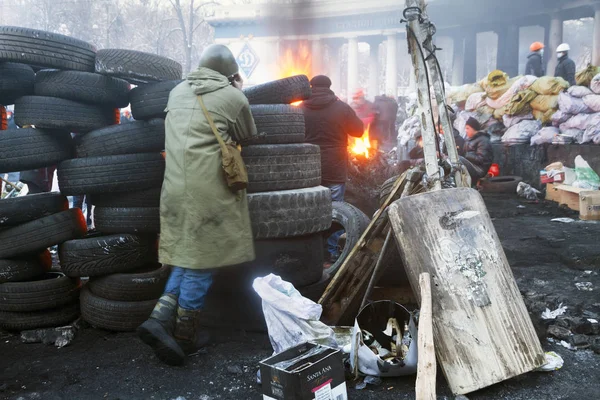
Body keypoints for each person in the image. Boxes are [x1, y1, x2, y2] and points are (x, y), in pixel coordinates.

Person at [137, 44, 258, 366]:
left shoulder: (176, 92)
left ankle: (159, 318)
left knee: (188, 253)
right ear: (231, 72)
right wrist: (237, 91)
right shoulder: (234, 97)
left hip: (175, 185)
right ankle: (184, 336)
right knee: (203, 261)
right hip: (210, 189)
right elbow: (249, 133)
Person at [301, 75, 363, 262]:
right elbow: (358, 131)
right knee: (335, 210)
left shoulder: (300, 108)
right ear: (330, 87)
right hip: (335, 168)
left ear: (311, 87)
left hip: (307, 168)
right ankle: (331, 252)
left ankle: (311, 251)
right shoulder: (341, 108)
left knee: (309, 209)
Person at [460, 117, 493, 184]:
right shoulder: (469, 140)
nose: (466, 130)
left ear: (474, 128)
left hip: (479, 169)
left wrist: (466, 155)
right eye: (465, 128)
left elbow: (481, 159)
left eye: (467, 128)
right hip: (472, 165)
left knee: (459, 160)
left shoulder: (483, 140)